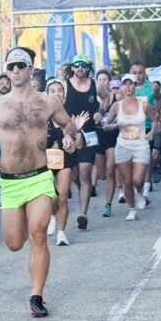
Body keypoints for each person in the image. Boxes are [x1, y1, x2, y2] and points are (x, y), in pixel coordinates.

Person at [0, 47, 79, 318]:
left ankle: (37, 295)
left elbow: (69, 126)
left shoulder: (48, 102)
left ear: (31, 69)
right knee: (14, 243)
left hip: (39, 177)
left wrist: (70, 138)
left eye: (20, 66)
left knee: (38, 235)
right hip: (10, 181)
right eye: (10, 66)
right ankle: (26, 248)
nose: (14, 71)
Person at [103, 73, 159, 221]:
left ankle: (139, 192)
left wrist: (152, 133)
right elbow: (105, 125)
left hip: (140, 144)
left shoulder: (144, 104)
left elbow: (155, 120)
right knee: (126, 180)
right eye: (125, 84)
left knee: (137, 180)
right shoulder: (116, 106)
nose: (128, 87)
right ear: (122, 86)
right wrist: (115, 125)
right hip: (123, 144)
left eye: (131, 84)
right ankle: (131, 209)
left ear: (135, 86)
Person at [45, 80, 88, 246]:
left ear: (64, 94)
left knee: (62, 196)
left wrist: (76, 132)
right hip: (44, 162)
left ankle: (61, 233)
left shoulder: (71, 115)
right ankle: (52, 215)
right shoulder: (41, 115)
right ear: (47, 93)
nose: (57, 93)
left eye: (60, 90)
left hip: (65, 161)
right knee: (50, 197)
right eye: (53, 90)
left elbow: (80, 144)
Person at [63, 55, 98, 231]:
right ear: (72, 67)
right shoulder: (65, 85)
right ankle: (79, 188)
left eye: (83, 66)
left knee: (85, 172)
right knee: (74, 175)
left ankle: (82, 214)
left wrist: (102, 113)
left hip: (89, 134)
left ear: (88, 68)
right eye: (77, 65)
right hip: (68, 133)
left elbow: (107, 98)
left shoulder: (94, 84)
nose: (80, 68)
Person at [128, 61, 157, 203]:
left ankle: (145, 191)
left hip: (146, 127)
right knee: (133, 161)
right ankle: (136, 187)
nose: (137, 76)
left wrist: (157, 120)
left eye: (140, 73)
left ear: (144, 74)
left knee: (146, 160)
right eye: (134, 73)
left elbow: (160, 102)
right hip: (131, 128)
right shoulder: (126, 89)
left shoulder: (151, 88)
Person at [93, 70, 119, 218]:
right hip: (98, 138)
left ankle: (108, 204)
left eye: (105, 79)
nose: (102, 82)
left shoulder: (116, 97)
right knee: (102, 174)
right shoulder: (91, 99)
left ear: (109, 82)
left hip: (112, 137)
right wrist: (94, 118)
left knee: (110, 170)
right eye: (100, 79)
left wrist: (115, 122)